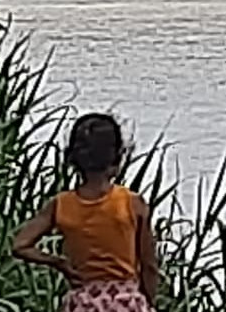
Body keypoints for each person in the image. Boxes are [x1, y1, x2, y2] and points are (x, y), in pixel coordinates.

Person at [12, 113, 158, 311]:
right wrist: (148, 301)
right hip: (127, 301)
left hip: (84, 302)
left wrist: (59, 263)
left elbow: (20, 245)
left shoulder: (61, 205)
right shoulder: (131, 203)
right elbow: (149, 265)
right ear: (117, 157)